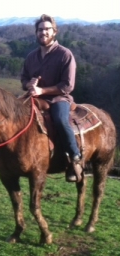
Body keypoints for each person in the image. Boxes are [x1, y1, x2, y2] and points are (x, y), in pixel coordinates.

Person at [20, 14, 82, 183]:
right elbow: (24, 78)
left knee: (61, 121)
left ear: (54, 32)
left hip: (58, 99)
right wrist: (29, 85)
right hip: (35, 96)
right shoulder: (31, 56)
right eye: (40, 30)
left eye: (47, 29)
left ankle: (74, 158)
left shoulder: (65, 54)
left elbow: (68, 85)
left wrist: (42, 90)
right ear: (36, 33)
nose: (43, 33)